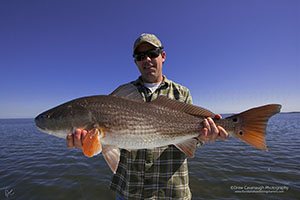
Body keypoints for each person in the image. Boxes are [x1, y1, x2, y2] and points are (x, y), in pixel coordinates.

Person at [66, 33, 229, 200]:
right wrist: (89, 145)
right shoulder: (122, 95)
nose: (147, 59)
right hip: (130, 191)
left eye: (153, 53)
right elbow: (106, 146)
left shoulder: (181, 93)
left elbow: (194, 139)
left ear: (163, 56)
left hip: (172, 192)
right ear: (136, 61)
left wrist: (204, 137)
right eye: (141, 56)